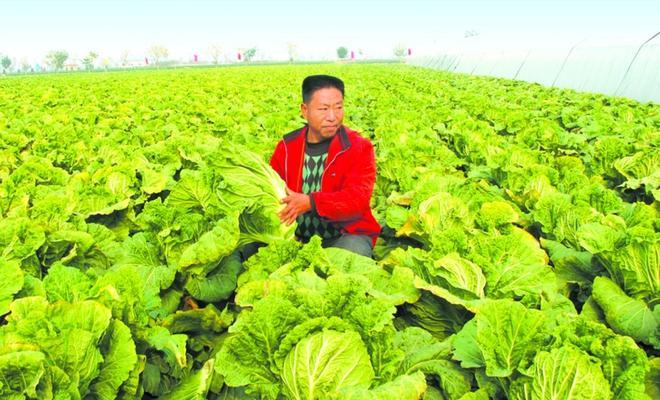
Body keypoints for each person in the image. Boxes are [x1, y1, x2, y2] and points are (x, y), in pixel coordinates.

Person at [269, 74, 381, 257]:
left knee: (348, 259)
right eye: (323, 109)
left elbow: (357, 200)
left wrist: (311, 202)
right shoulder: (287, 147)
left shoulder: (359, 147)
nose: (332, 117)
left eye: (339, 107)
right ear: (304, 110)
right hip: (295, 237)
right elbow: (271, 192)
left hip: (344, 236)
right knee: (249, 250)